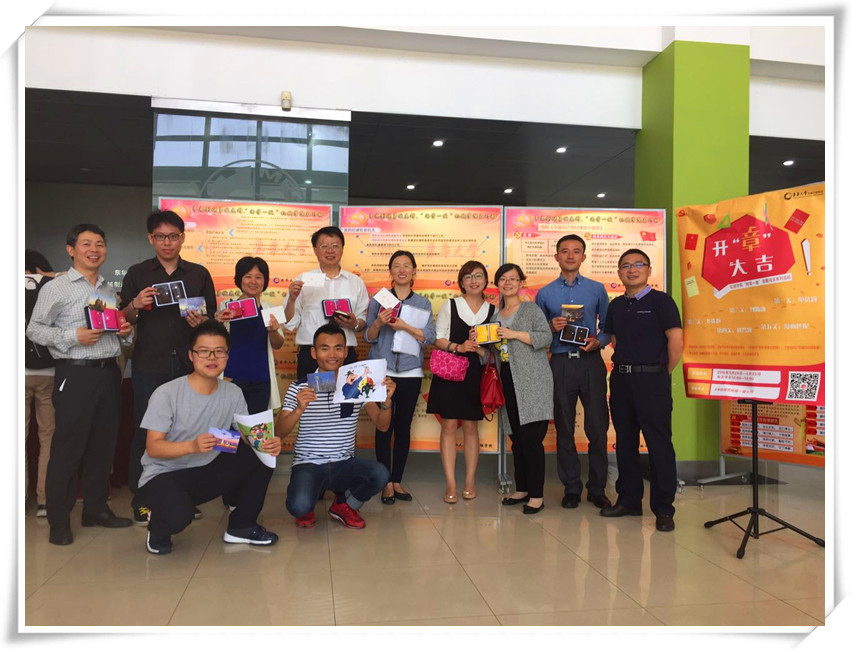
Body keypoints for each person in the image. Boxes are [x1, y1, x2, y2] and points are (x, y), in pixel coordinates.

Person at [27, 224, 134, 545]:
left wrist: (125, 331)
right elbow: (34, 329)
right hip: (75, 374)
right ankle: (59, 521)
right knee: (68, 449)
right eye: (86, 244)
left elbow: (116, 332)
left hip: (108, 372)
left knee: (103, 446)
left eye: (99, 244)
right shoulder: (56, 287)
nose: (94, 250)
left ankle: (96, 510)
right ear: (71, 249)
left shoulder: (107, 289)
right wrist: (73, 336)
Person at [136, 320, 280, 554]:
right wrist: (192, 446)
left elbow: (245, 436)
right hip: (165, 474)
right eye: (204, 351)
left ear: (228, 355)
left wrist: (266, 442)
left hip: (207, 469)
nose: (212, 358)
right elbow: (153, 448)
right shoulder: (167, 393)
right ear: (191, 355)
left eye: (219, 351)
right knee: (178, 518)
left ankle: (241, 526)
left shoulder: (233, 392)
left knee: (261, 455)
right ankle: (158, 525)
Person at [120, 210, 217, 525]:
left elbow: (211, 316)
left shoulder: (198, 273)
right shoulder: (138, 273)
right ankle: (142, 499)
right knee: (146, 429)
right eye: (160, 236)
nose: (167, 242)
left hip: (190, 364)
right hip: (151, 362)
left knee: (186, 428)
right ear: (151, 238)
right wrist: (135, 304)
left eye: (173, 236)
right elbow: (123, 318)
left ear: (182, 237)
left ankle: (183, 496)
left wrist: (202, 321)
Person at [600, 249, 684, 532]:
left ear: (648, 270)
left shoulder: (662, 302)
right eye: (626, 265)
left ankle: (664, 509)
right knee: (625, 442)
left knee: (659, 444)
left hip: (653, 381)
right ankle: (629, 500)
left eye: (638, 264)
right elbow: (615, 340)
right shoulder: (616, 306)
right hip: (622, 381)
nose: (632, 270)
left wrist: (660, 372)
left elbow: (676, 343)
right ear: (619, 272)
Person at [278, 324, 393, 529]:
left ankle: (344, 506)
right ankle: (307, 500)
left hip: (344, 464)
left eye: (338, 348)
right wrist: (298, 409)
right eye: (325, 348)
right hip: (309, 464)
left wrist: (386, 403)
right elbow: (279, 433)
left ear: (345, 352)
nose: (332, 355)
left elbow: (382, 426)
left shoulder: (358, 384)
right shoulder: (299, 387)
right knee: (299, 506)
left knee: (381, 474)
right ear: (314, 352)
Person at [534, 234, 612, 510]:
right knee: (564, 427)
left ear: (583, 256)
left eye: (576, 251)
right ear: (556, 256)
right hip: (560, 363)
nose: (570, 255)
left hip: (591, 362)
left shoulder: (597, 289)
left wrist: (598, 341)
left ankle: (597, 488)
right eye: (565, 251)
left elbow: (609, 327)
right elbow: (537, 332)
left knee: (598, 427)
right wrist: (550, 328)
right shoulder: (545, 293)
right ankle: (571, 488)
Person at [363, 250, 437, 504]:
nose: (402, 270)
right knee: (384, 426)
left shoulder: (423, 303)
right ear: (391, 271)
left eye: (407, 265)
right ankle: (385, 482)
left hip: (411, 372)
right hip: (382, 371)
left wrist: (405, 326)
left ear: (414, 271)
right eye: (397, 265)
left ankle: (397, 480)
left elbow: (429, 337)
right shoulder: (379, 299)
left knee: (403, 427)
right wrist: (378, 323)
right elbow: (368, 337)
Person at [479, 264, 553, 514]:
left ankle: (537, 495)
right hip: (507, 380)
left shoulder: (531, 309)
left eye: (513, 279)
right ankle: (522, 488)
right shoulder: (495, 316)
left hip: (532, 382)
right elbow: (493, 354)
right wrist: (478, 345)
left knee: (532, 440)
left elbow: (545, 337)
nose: (508, 283)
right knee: (517, 439)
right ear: (497, 284)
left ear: (521, 283)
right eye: (503, 279)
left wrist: (513, 334)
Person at [427, 260, 496, 503]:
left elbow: (496, 349)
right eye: (468, 277)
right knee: (448, 426)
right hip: (451, 373)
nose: (474, 281)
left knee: (470, 427)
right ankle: (451, 483)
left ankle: (469, 481)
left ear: (485, 281)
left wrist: (479, 350)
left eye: (478, 276)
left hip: (476, 375)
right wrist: (459, 347)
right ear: (462, 282)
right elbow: (438, 339)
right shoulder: (451, 305)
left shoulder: (493, 310)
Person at [283, 226, 369, 378]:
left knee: (345, 393)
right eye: (324, 246)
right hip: (312, 354)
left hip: (344, 354)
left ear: (342, 249)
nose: (330, 251)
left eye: (335, 246)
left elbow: (361, 321)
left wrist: (354, 324)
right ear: (315, 250)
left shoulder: (355, 282)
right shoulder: (303, 280)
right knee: (310, 394)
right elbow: (290, 323)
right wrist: (291, 299)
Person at [215, 256, 285, 414]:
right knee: (228, 425)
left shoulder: (270, 309)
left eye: (258, 277)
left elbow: (278, 344)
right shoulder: (226, 307)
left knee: (256, 427)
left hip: (261, 379)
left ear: (265, 281)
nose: (253, 281)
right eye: (248, 276)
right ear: (239, 279)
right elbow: (215, 340)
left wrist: (273, 330)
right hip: (231, 377)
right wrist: (218, 321)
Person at [24, 250, 58, 518]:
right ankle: (45, 500)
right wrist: (46, 275)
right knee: (48, 436)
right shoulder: (52, 285)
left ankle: (18, 498)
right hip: (49, 371)